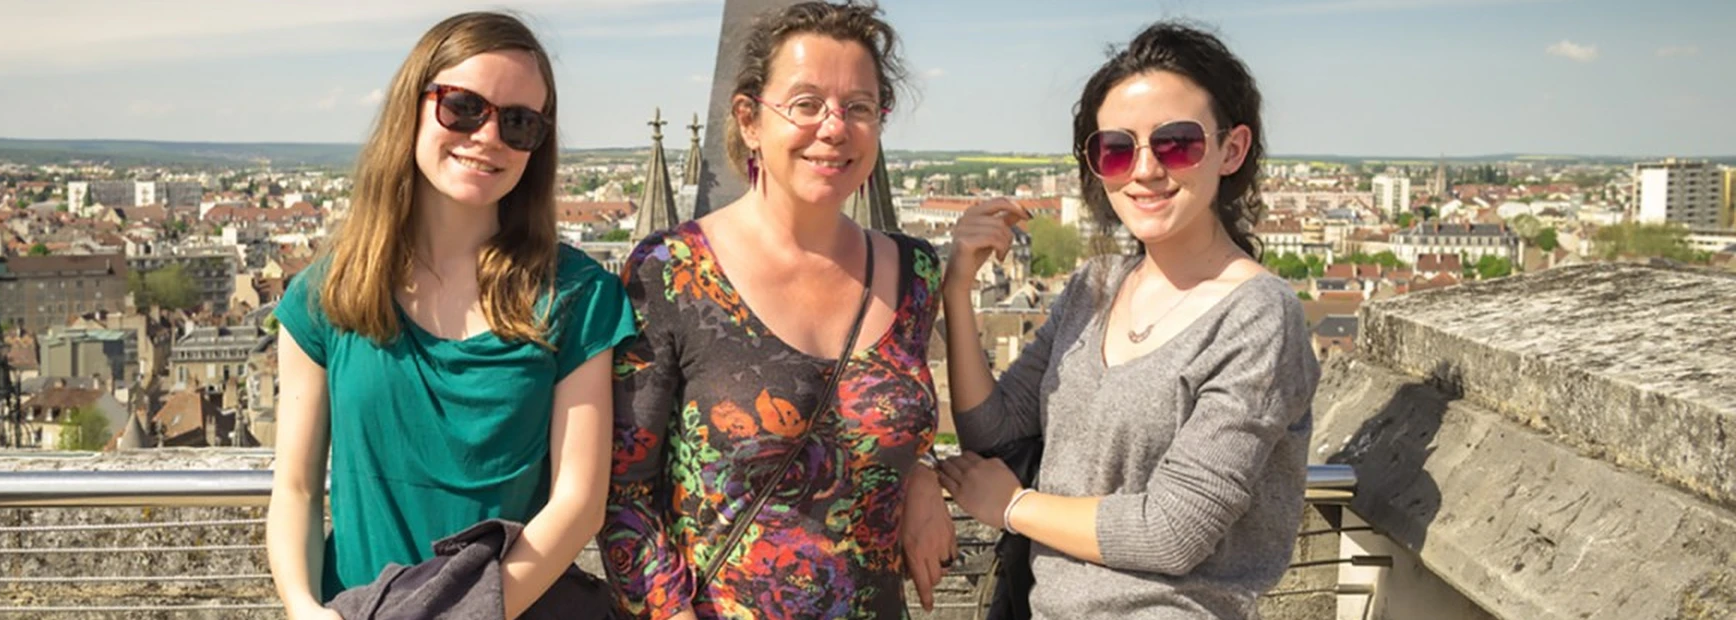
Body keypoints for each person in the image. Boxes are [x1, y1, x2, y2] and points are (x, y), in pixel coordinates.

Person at [934, 21, 1319, 619]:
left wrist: (1013, 507)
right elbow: (996, 431)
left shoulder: (1258, 317)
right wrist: (957, 291)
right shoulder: (1096, 286)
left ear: (1232, 149)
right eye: (1116, 148)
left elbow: (1174, 530)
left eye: (1177, 143)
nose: (1144, 170)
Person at [266, 12, 635, 620]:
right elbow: (298, 489)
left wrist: (464, 614)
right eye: (464, 107)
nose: (489, 136)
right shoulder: (326, 294)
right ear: (413, 107)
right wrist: (305, 609)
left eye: (519, 123)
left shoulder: (576, 297)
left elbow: (577, 504)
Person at [596, 2, 955, 618]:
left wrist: (921, 471)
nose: (834, 127)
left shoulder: (914, 273)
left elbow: (895, 413)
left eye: (859, 107)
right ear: (750, 120)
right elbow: (623, 493)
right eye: (806, 103)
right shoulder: (673, 271)